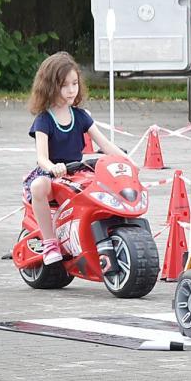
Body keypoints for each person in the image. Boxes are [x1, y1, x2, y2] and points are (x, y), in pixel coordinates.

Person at [24, 52, 129, 265]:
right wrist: (53, 167)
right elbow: (42, 157)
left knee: (104, 185)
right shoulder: (44, 120)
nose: (72, 90)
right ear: (50, 86)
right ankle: (50, 243)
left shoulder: (81, 116)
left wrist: (128, 162)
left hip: (77, 173)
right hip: (52, 175)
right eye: (64, 85)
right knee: (38, 187)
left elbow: (105, 144)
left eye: (75, 83)